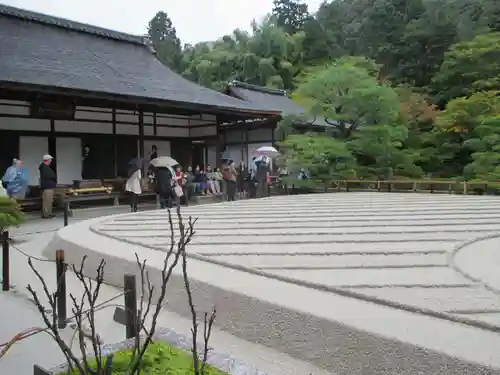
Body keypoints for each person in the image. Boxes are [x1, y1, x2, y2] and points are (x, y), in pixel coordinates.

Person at [39, 154, 57, 219]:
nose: (51, 161)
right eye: (50, 159)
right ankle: (47, 214)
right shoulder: (44, 167)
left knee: (48, 200)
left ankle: (48, 213)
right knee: (47, 201)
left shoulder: (45, 167)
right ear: (47, 160)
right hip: (47, 186)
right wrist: (54, 177)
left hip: (48, 186)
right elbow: (50, 176)